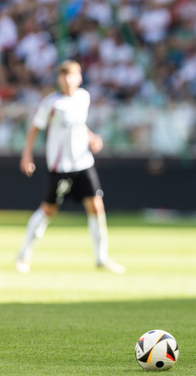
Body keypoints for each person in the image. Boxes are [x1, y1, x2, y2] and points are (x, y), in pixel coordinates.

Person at [15, 60, 125, 274]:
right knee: (48, 210)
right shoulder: (52, 103)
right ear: (58, 79)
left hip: (83, 163)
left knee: (96, 207)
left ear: (79, 78)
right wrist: (27, 154)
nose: (67, 79)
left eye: (71, 75)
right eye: (63, 75)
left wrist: (92, 137)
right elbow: (35, 128)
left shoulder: (84, 97)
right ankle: (23, 256)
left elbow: (79, 123)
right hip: (61, 166)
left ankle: (101, 258)